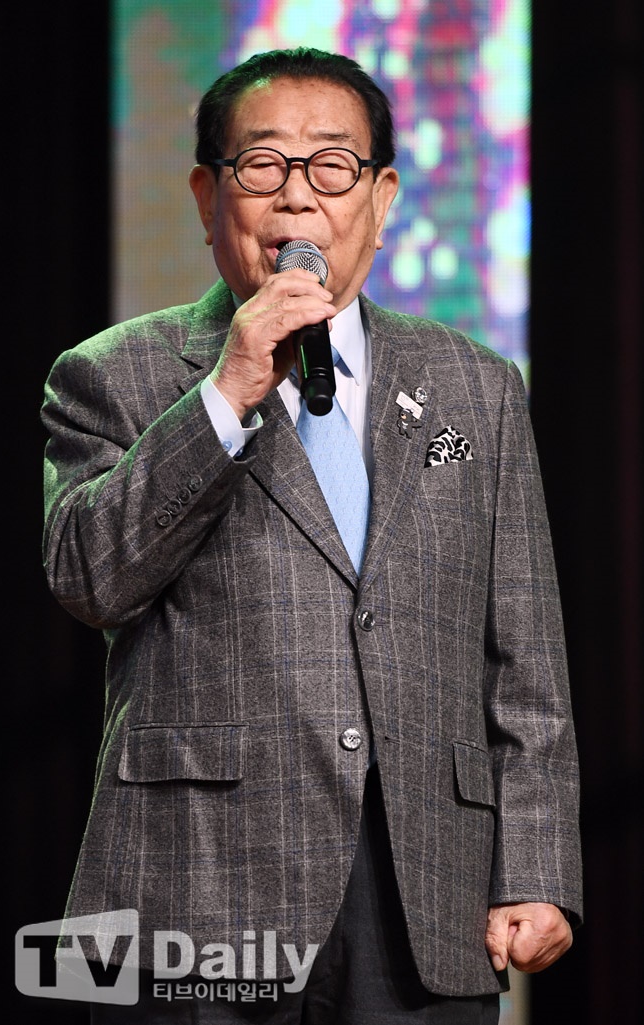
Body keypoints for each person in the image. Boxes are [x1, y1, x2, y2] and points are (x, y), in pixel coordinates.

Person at [42, 47, 582, 1024]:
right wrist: (228, 391)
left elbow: (526, 662)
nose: (297, 196)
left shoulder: (477, 387)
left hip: (424, 887)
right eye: (262, 165)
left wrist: (537, 869)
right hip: (198, 884)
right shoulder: (111, 374)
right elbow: (89, 577)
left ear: (381, 198)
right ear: (208, 198)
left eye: (332, 166)